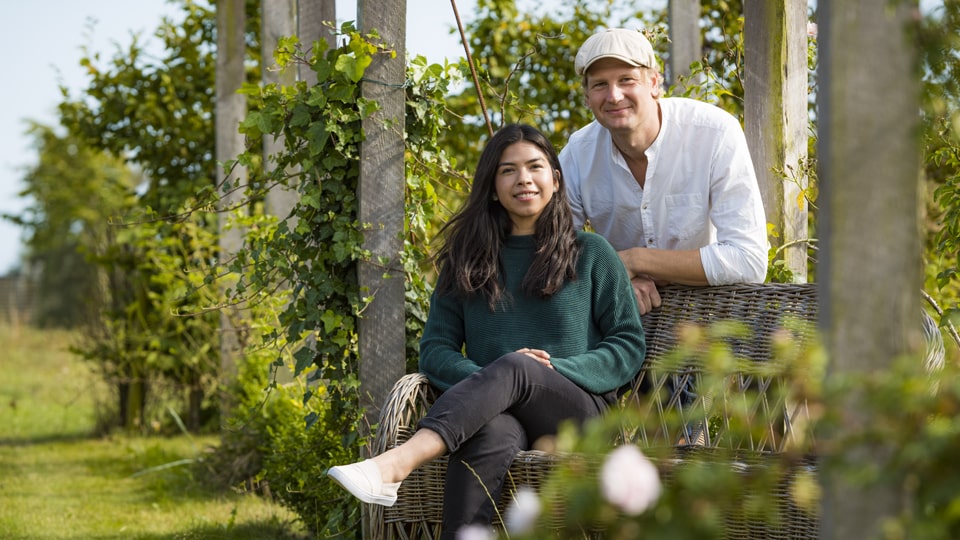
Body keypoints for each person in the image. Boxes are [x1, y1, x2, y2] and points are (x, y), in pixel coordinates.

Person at [327, 124, 646, 537]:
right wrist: (490, 380)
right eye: (508, 170)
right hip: (494, 413)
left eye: (535, 167)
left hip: (577, 412)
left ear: (555, 178)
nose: (524, 179)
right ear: (494, 187)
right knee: (490, 432)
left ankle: (395, 464)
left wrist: (551, 371)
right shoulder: (467, 259)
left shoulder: (591, 253)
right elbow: (437, 350)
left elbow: (627, 342)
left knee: (516, 367)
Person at [559, 28, 769, 315]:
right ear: (586, 97)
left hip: (713, 311)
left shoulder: (715, 133)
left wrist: (633, 261)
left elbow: (748, 260)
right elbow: (550, 252)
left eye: (626, 80)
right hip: (624, 315)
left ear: (654, 83)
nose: (614, 95)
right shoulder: (577, 153)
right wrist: (613, 280)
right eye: (599, 85)